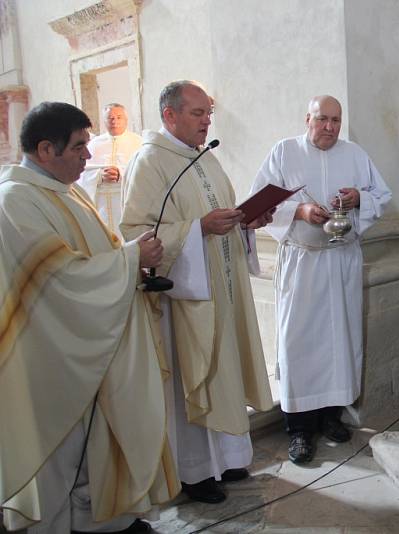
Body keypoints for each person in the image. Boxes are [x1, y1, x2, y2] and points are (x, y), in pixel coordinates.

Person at [0, 102, 178, 533]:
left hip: (87, 342)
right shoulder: (15, 200)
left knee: (93, 446)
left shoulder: (66, 187)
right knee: (59, 454)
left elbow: (90, 255)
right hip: (48, 354)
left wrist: (125, 253)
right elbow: (56, 281)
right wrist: (130, 259)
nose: (88, 155)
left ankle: (100, 519)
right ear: (46, 149)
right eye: (79, 146)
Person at [120, 80, 273, 504]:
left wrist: (247, 223)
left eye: (209, 113)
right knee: (195, 375)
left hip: (221, 290)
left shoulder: (204, 159)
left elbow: (222, 214)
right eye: (198, 113)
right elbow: (134, 232)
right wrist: (197, 229)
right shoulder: (150, 161)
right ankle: (194, 471)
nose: (207, 121)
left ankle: (227, 459)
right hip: (185, 301)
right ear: (170, 115)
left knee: (223, 372)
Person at [250, 95, 391, 464]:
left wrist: (358, 196)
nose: (330, 127)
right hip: (303, 263)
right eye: (323, 119)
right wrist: (300, 209)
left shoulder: (355, 154)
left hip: (341, 260)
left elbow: (382, 195)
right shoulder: (284, 153)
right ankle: (298, 428)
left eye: (336, 120)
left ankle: (331, 416)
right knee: (300, 343)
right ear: (307, 118)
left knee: (338, 341)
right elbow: (257, 204)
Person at [76, 103, 143, 237]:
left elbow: (144, 171)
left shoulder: (139, 143)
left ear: (126, 119)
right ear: (104, 120)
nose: (114, 121)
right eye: (110, 118)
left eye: (119, 117)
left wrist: (121, 173)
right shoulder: (94, 144)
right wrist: (99, 175)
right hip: (101, 203)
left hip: (127, 200)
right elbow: (81, 173)